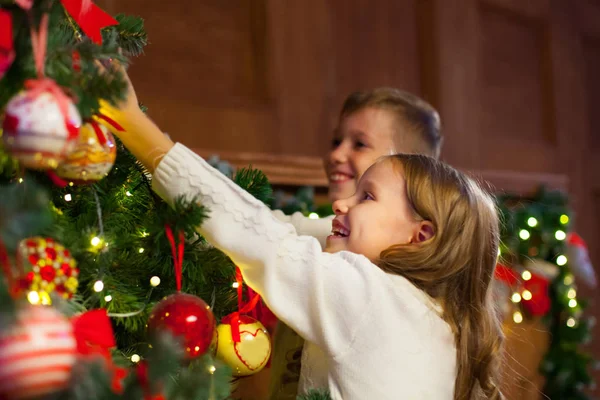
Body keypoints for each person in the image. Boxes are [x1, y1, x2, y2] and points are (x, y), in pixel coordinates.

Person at [104, 74, 504, 399]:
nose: (343, 206)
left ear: (421, 236)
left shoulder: (370, 294)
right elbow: (275, 226)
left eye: (367, 196)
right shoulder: (434, 313)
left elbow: (260, 235)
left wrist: (135, 128)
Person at [268, 88, 443, 399]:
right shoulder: (337, 234)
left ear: (409, 167)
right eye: (337, 141)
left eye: (359, 144)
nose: (336, 154)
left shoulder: (338, 240)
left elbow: (268, 230)